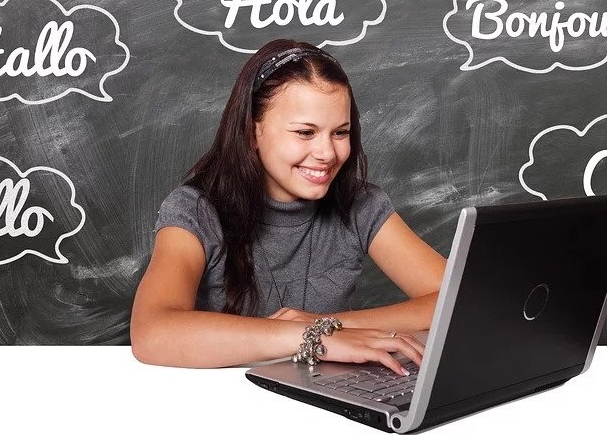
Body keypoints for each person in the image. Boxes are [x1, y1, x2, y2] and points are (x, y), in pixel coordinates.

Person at [131, 39, 447, 375]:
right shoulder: (194, 210)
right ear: (252, 133)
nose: (327, 153)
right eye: (305, 132)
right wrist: (311, 337)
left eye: (340, 132)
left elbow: (458, 297)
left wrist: (330, 325)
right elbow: (152, 331)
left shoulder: (361, 205)